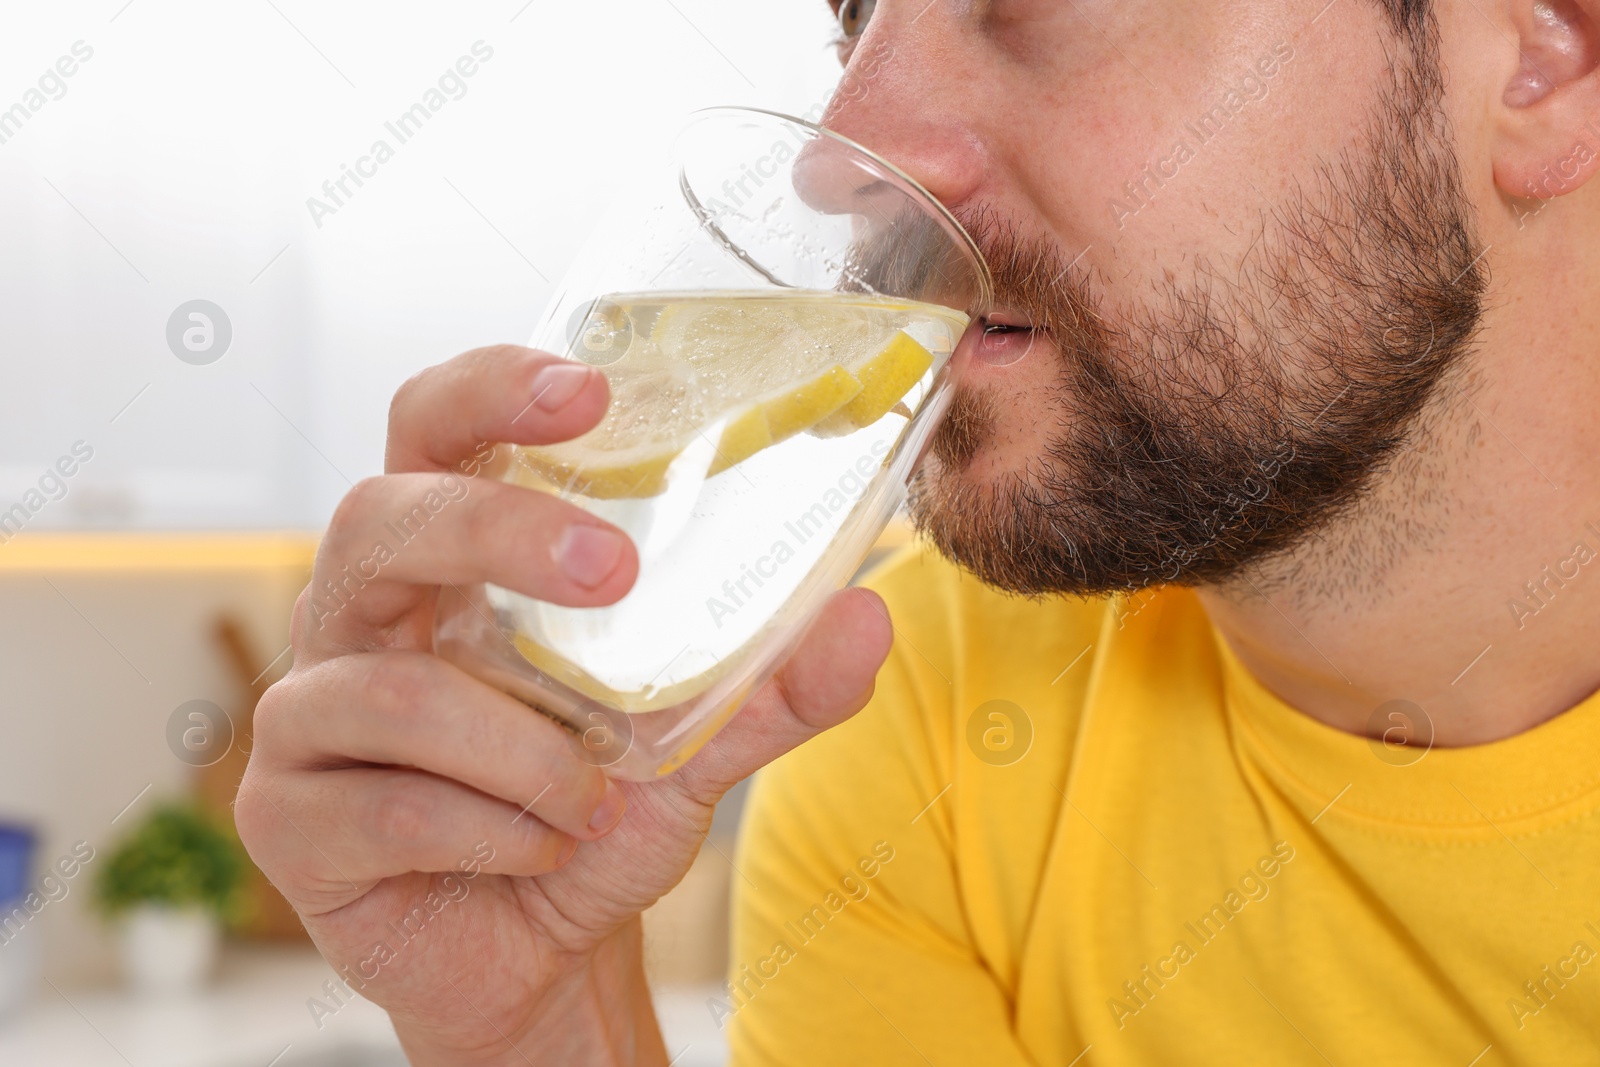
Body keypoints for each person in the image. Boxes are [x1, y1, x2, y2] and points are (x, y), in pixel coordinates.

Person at [234, 0, 1600, 1061]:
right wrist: (536, 1036)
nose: (848, 154)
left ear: (1543, 57)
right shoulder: (915, 716)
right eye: (856, 13)